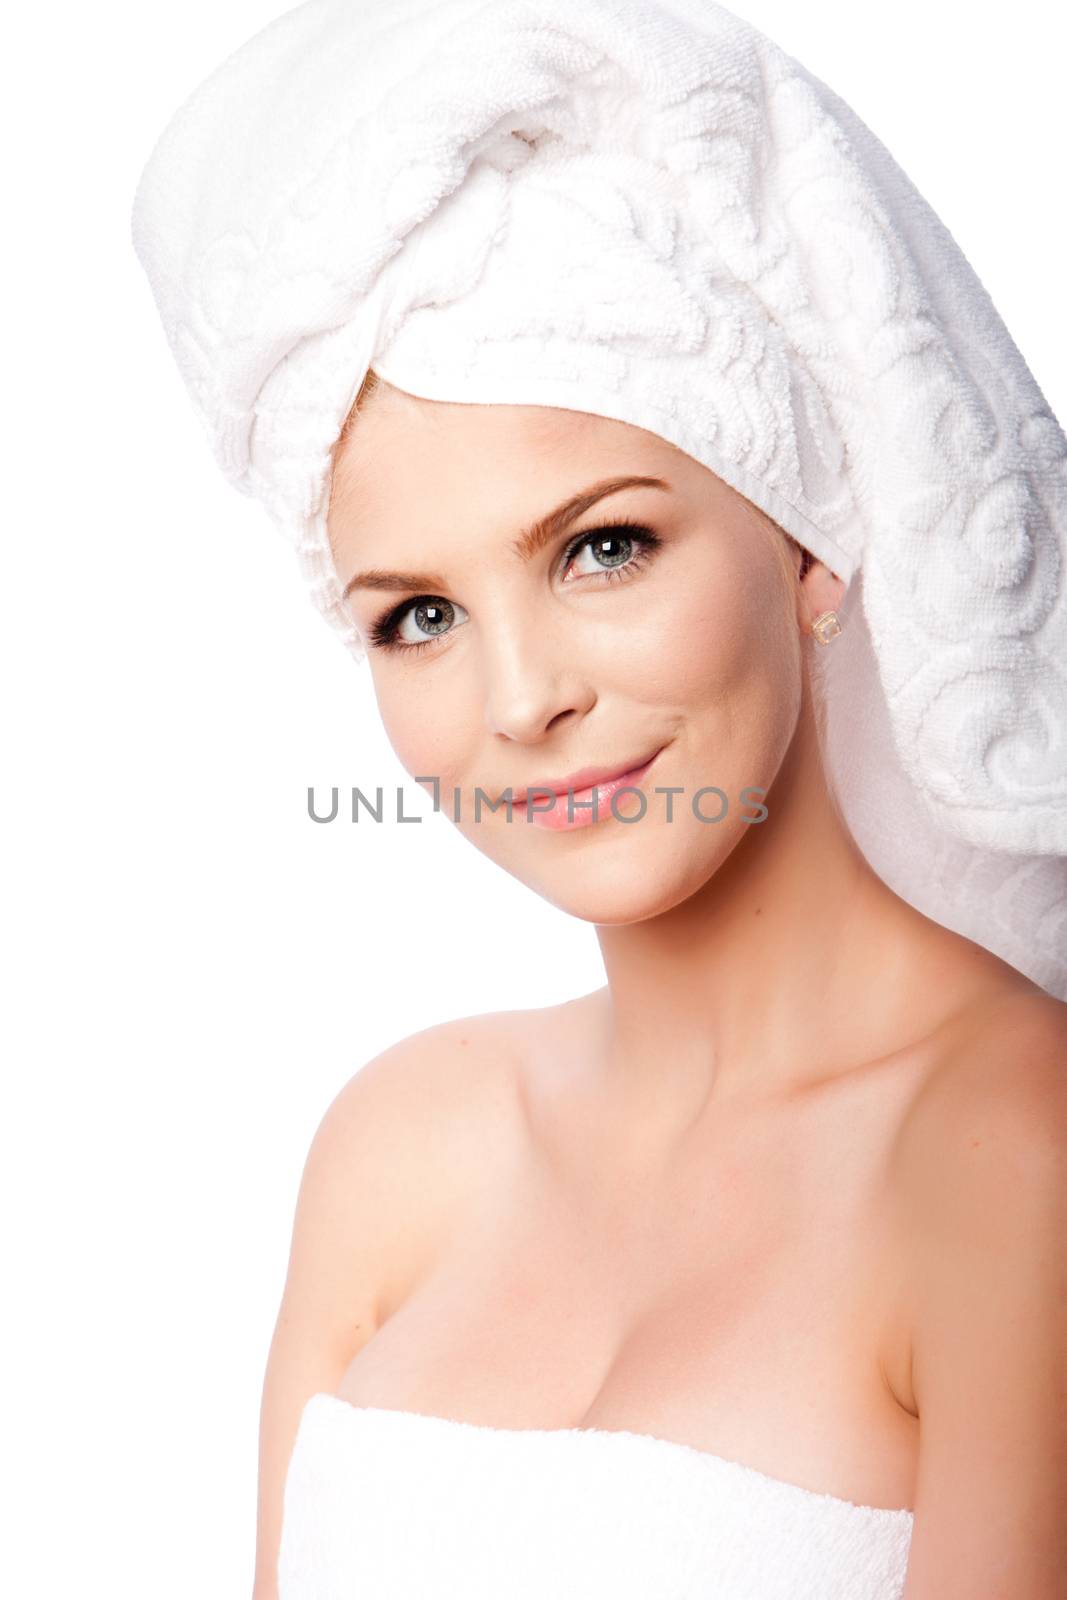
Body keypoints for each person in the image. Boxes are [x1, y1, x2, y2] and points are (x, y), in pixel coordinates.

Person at [130, 2, 1067, 1596]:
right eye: (416, 615)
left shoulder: (1015, 1163)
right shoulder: (398, 1151)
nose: (518, 700)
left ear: (813, 538)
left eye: (602, 547)